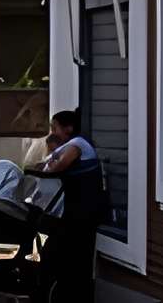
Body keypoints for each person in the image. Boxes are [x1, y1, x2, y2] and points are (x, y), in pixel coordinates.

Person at [34, 109, 102, 303]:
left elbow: (56, 167)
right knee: (59, 253)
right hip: (73, 213)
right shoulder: (68, 145)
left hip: (81, 214)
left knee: (61, 254)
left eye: (54, 128)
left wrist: (50, 159)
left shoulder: (77, 144)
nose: (52, 132)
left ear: (69, 128)